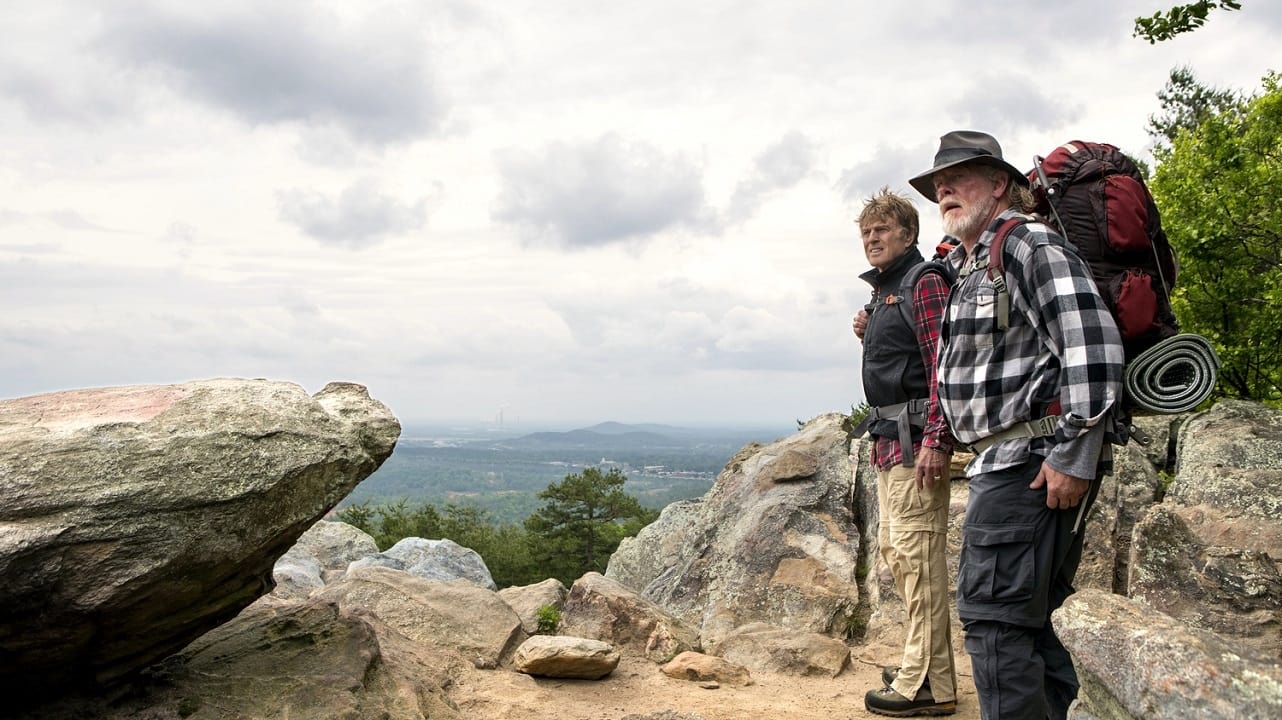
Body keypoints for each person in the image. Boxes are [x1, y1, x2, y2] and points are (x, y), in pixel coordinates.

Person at [907, 131, 1124, 720]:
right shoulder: (973, 263)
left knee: (995, 622)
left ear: (1000, 183)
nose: (944, 190)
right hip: (1008, 463)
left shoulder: (1028, 244)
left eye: (959, 177)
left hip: (1027, 465)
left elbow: (1093, 345)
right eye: (937, 185)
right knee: (1035, 621)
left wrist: (1073, 454)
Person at [852, 188, 958, 717]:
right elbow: (903, 359)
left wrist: (938, 439)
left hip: (917, 441)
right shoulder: (888, 291)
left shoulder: (923, 281)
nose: (872, 238)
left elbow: (943, 365)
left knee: (918, 561)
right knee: (900, 553)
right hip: (892, 439)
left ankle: (928, 685)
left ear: (908, 234)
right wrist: (869, 330)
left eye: (882, 230)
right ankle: (929, 670)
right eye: (866, 232)